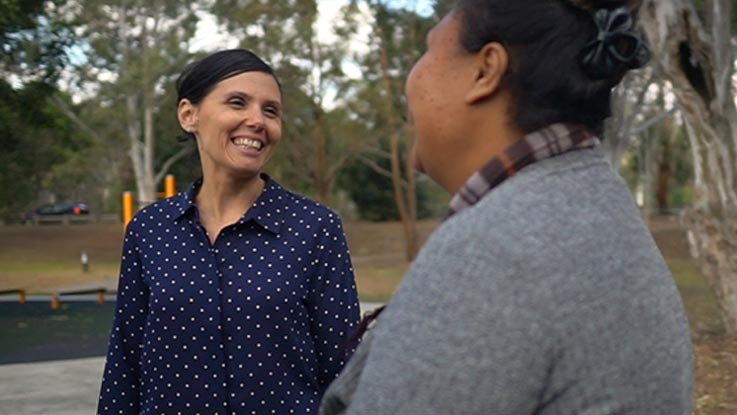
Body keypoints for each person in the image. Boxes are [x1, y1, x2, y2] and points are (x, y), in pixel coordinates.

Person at [320, 1, 693, 414]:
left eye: (427, 50)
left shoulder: (494, 250)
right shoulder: (598, 209)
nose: (413, 78)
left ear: (485, 70)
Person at [98, 49, 360, 415]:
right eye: (238, 102)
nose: (257, 120)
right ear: (189, 115)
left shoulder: (315, 228)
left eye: (271, 111)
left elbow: (344, 370)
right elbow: (125, 366)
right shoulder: (149, 230)